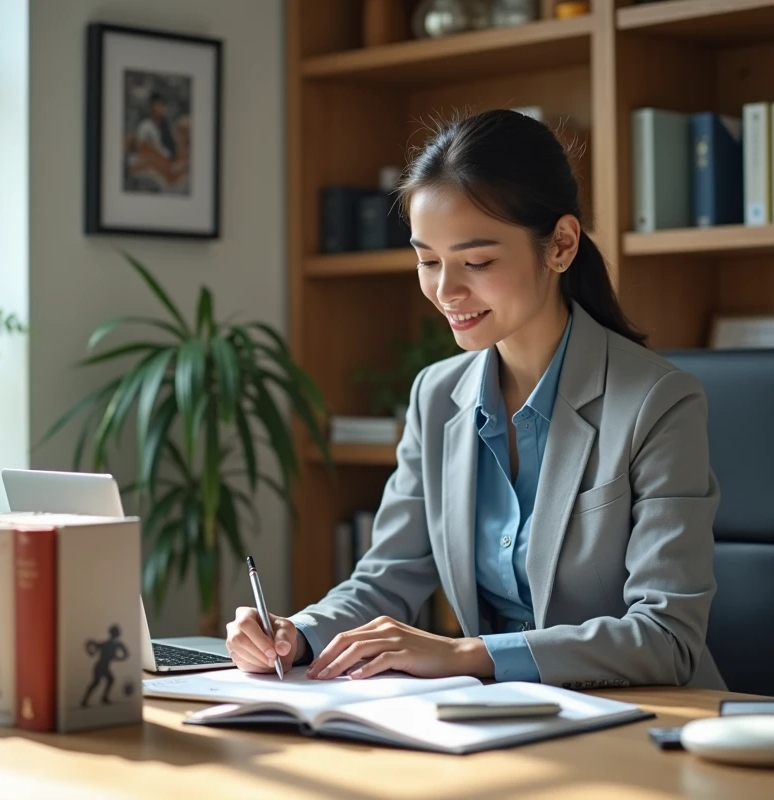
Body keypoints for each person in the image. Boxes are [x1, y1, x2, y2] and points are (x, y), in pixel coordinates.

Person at [226, 109, 725, 691]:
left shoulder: (657, 402)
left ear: (560, 245)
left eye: (477, 262)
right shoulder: (436, 395)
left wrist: (467, 654)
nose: (445, 291)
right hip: (497, 720)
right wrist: (297, 634)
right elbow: (387, 580)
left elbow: (666, 639)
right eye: (428, 260)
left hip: (641, 724)